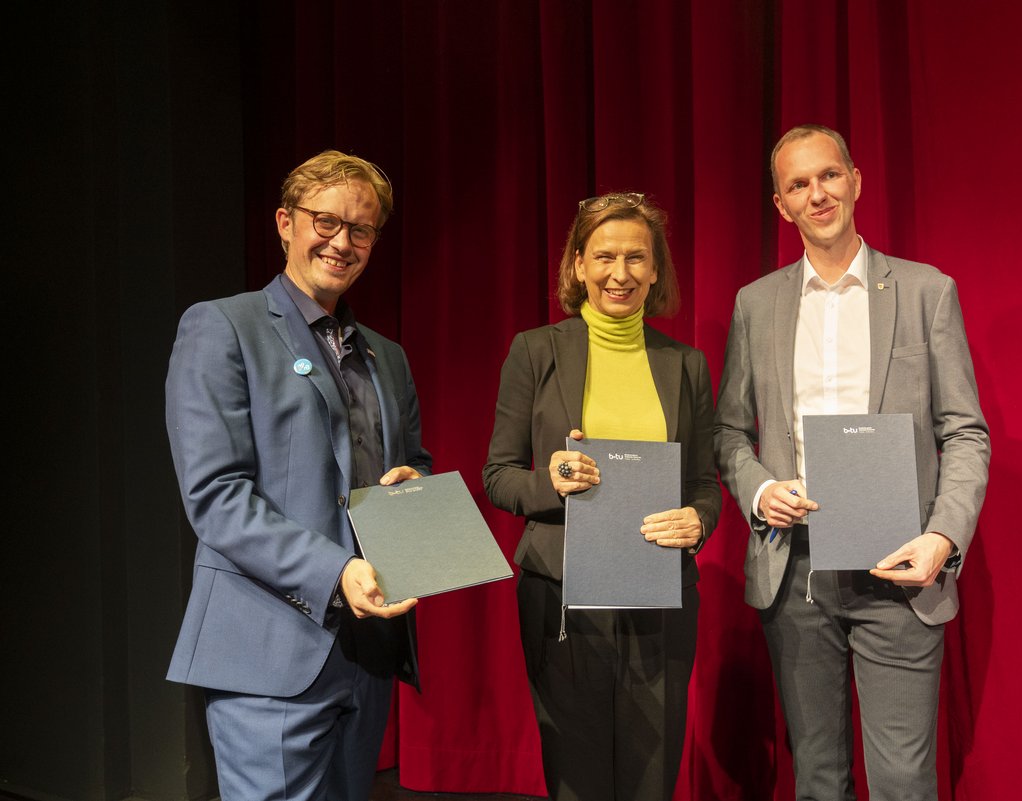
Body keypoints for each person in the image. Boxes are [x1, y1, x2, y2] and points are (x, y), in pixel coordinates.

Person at [714, 125, 990, 800]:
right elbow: (728, 433)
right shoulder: (756, 304)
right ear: (780, 205)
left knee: (901, 781)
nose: (818, 194)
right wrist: (758, 490)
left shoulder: (926, 291)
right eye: (799, 184)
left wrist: (942, 536)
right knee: (817, 778)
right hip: (796, 568)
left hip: (896, 564)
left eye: (828, 176)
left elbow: (966, 433)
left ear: (856, 180)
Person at [165, 150, 432, 801]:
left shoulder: (387, 356)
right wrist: (336, 570)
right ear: (286, 222)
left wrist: (411, 493)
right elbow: (216, 498)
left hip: (367, 653)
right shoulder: (223, 326)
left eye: (361, 228)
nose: (342, 241)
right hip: (267, 656)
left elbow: (414, 465)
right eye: (326, 221)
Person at [483, 192, 722, 801]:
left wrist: (697, 521)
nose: (621, 273)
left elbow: (703, 484)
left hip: (660, 588)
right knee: (578, 774)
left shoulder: (686, 364)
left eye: (637, 258)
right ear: (578, 264)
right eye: (605, 256)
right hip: (562, 593)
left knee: (652, 774)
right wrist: (551, 481)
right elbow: (499, 475)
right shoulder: (536, 351)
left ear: (656, 269)